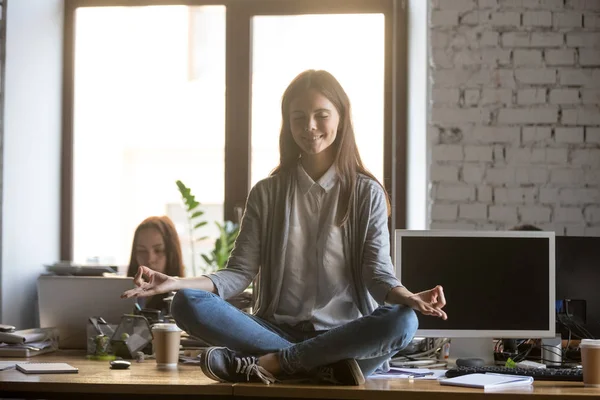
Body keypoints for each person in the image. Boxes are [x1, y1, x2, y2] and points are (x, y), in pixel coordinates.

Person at [122, 70, 447, 386]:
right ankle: (315, 367)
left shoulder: (366, 193)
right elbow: (237, 274)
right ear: (287, 123)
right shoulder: (267, 192)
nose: (310, 127)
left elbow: (377, 275)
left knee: (404, 320)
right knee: (186, 302)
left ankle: (276, 364)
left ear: (341, 118)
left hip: (344, 336)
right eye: (298, 117)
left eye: (321, 115)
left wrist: (408, 297)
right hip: (274, 332)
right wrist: (175, 282)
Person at [126, 215, 185, 313]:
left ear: (171, 253)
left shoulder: (182, 298)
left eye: (158, 250)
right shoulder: (126, 294)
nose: (150, 259)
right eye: (142, 251)